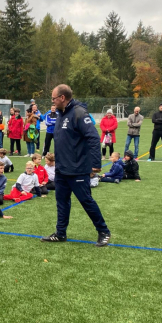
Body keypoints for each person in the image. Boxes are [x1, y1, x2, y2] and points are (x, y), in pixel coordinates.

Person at [42, 84, 111, 247]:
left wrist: (95, 164)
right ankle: (60, 233)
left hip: (78, 169)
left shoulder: (79, 113)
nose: (52, 101)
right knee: (62, 201)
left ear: (62, 98)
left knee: (86, 201)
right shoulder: (60, 114)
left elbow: (93, 138)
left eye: (53, 98)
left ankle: (103, 231)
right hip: (62, 169)